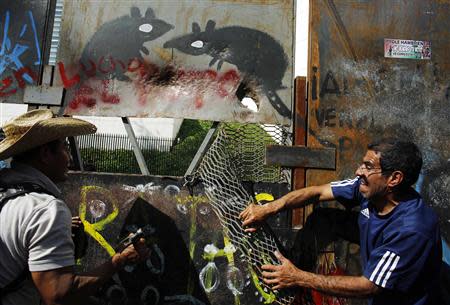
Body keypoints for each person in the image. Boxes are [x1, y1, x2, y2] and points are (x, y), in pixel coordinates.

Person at [240, 139, 442, 305]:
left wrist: (297, 277)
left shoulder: (412, 229)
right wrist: (269, 208)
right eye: (362, 164)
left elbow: (369, 286)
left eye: (368, 167)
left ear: (394, 179)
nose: (358, 172)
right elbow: (318, 192)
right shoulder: (366, 189)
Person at [0, 109, 149, 305]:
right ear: (45, 154)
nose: (69, 157)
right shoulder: (46, 210)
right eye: (64, 148)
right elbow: (58, 295)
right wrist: (119, 260)